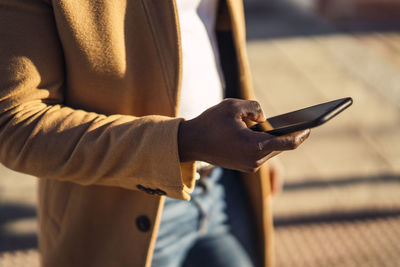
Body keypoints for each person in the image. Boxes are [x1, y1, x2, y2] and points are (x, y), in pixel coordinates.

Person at [0, 0, 309, 266]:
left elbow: (202, 30)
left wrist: (252, 134)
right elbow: (15, 124)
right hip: (114, 213)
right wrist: (182, 142)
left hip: (225, 187)